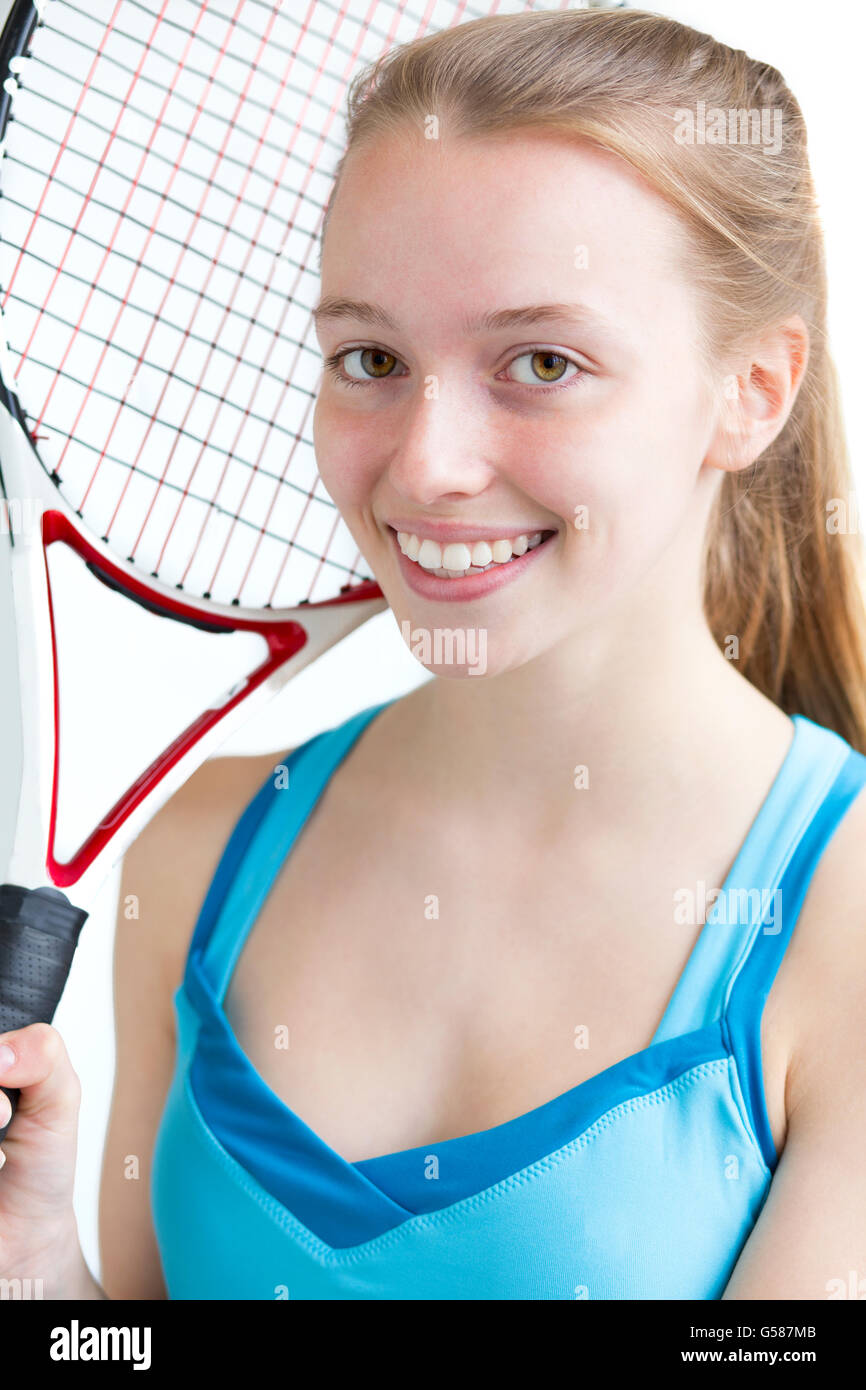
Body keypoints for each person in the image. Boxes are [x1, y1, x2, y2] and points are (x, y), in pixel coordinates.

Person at [2, 6, 866, 1300]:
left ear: (750, 388)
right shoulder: (198, 843)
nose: (424, 463)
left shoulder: (840, 920)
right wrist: (36, 1274)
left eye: (540, 361)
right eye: (370, 357)